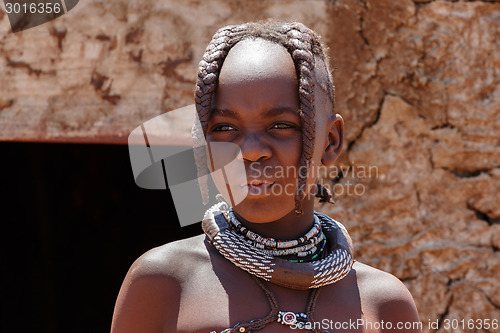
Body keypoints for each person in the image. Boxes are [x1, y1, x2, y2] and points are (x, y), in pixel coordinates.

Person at [111, 20, 421, 333]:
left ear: (330, 141)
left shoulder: (384, 305)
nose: (251, 151)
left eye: (281, 125)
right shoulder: (165, 284)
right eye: (225, 129)